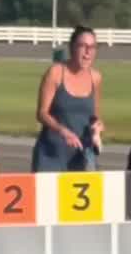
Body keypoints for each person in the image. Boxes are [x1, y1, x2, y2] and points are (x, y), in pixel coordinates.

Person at [31, 26, 105, 172]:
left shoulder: (95, 78)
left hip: (81, 158)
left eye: (92, 47)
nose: (87, 53)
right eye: (83, 46)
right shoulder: (56, 73)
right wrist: (62, 130)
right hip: (51, 156)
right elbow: (42, 113)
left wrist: (98, 128)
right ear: (72, 48)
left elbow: (95, 116)